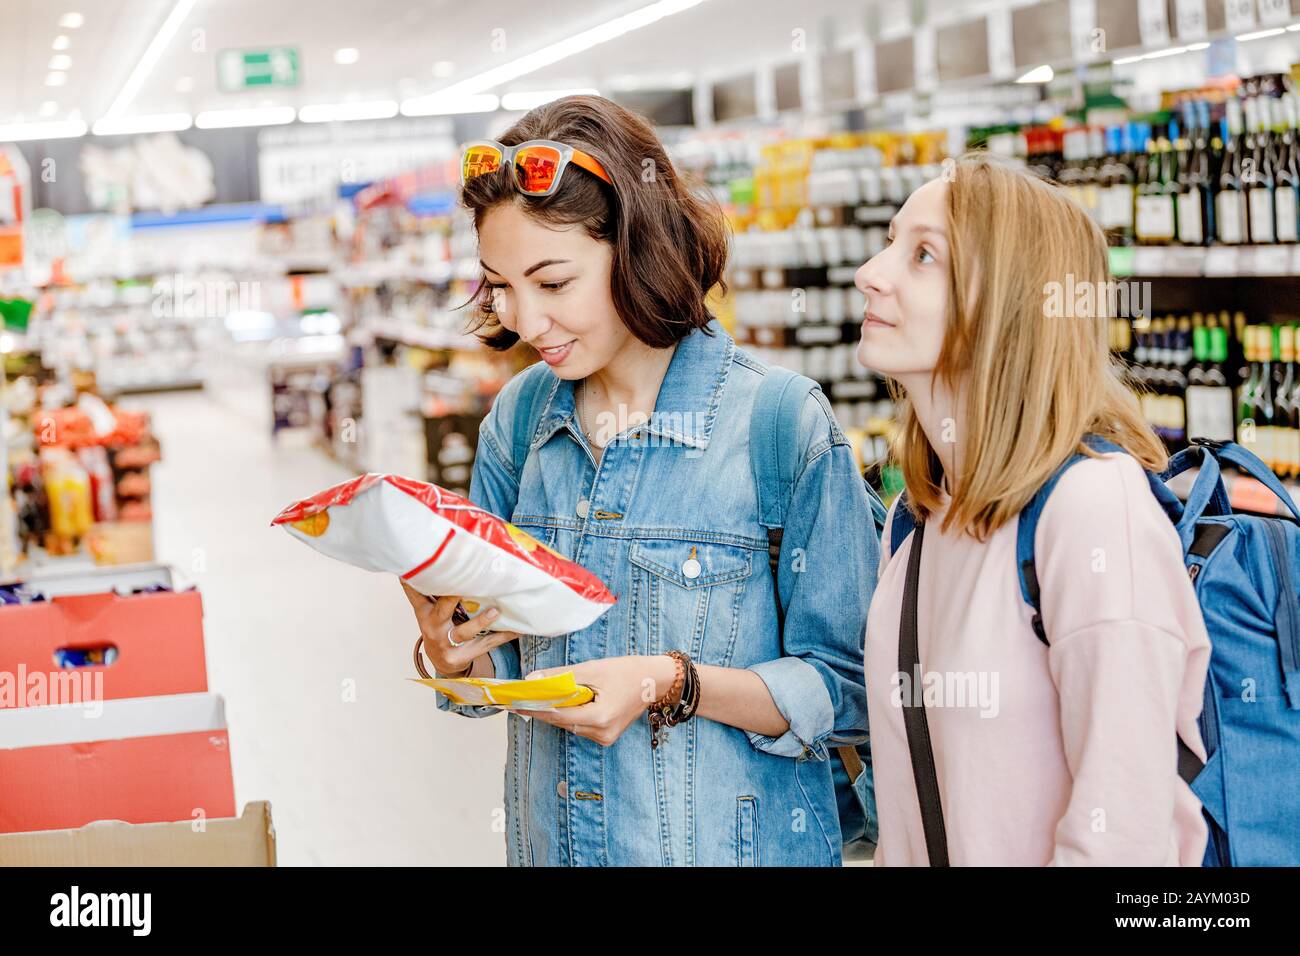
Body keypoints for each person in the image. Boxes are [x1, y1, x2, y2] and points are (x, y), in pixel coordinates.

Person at [402, 95, 877, 866]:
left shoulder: (779, 426)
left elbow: (849, 692)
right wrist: (451, 652)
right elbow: (494, 669)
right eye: (500, 285)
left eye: (553, 283)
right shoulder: (522, 423)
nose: (524, 320)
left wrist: (671, 683)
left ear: (638, 248)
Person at [856, 152, 1211, 865]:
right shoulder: (917, 524)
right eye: (891, 239)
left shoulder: (1091, 510)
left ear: (1012, 303)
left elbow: (1124, 840)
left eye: (923, 254)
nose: (873, 270)